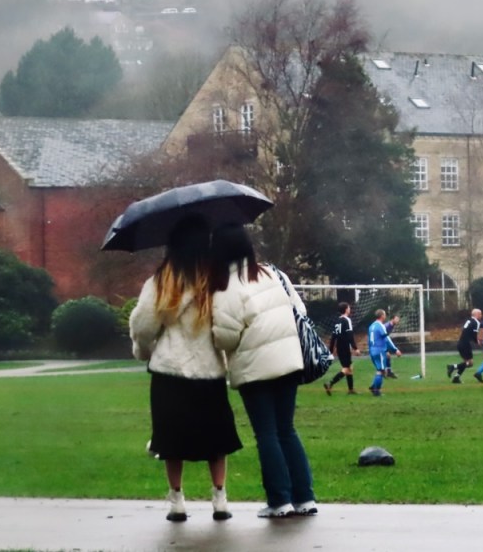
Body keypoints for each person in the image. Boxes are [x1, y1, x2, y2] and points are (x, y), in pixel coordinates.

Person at [130, 215, 242, 523]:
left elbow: (142, 326)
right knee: (217, 439)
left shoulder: (160, 281)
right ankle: (220, 498)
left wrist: (143, 351)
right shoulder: (217, 279)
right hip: (210, 370)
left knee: (170, 439)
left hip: (170, 369)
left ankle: (176, 500)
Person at [209, 223, 315, 518]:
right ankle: (304, 497)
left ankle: (279, 500)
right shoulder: (270, 274)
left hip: (256, 368)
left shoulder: (227, 287)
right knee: (287, 430)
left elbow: (225, 336)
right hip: (288, 360)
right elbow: (299, 310)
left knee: (266, 433)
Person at [324, 302, 361, 395]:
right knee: (346, 368)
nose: (350, 309)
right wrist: (355, 348)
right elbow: (350, 335)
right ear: (346, 309)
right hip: (345, 347)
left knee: (349, 367)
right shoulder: (346, 320)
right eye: (349, 308)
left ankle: (351, 390)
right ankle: (330, 383)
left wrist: (331, 350)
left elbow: (333, 337)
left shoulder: (337, 321)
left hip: (339, 347)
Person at [367, 309, 402, 396]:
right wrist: (395, 350)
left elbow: (369, 340)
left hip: (372, 350)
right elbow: (386, 339)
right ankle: (376, 392)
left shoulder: (371, 326)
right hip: (379, 350)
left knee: (379, 370)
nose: (385, 316)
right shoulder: (381, 326)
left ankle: (373, 387)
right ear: (382, 316)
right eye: (385, 314)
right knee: (381, 371)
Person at [448, 309, 481, 383]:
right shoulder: (476, 322)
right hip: (465, 344)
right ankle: (453, 366)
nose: (481, 316)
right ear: (476, 314)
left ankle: (456, 378)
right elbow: (474, 334)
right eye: (480, 314)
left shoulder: (469, 320)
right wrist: (477, 341)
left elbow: (469, 330)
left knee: (465, 363)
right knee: (470, 363)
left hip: (460, 343)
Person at [384, 314, 401, 379]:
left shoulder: (391, 325)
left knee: (388, 356)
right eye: (396, 319)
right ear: (392, 319)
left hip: (383, 342)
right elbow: (384, 336)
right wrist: (395, 349)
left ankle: (388, 372)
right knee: (385, 356)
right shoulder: (388, 326)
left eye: (398, 319)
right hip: (380, 342)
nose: (397, 320)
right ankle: (384, 372)